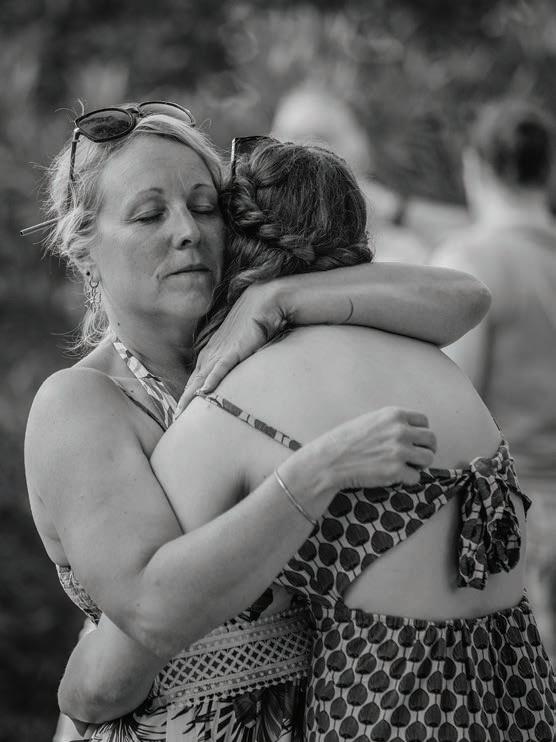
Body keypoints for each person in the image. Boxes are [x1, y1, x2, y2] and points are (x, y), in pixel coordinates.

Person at [57, 137, 554, 742]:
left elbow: (119, 660)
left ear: (236, 245)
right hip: (521, 701)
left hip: (381, 714)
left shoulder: (234, 409)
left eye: (204, 209)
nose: (188, 234)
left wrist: (73, 690)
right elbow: (468, 293)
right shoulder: (433, 359)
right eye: (150, 214)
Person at [433, 98, 556, 665]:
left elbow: (452, 406)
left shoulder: (471, 264)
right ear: (547, 170)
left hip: (512, 524)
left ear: (475, 166)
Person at [271, 84, 469, 262]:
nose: (301, 153)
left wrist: (395, 210)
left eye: (319, 137)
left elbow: (479, 240)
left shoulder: (399, 245)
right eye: (287, 140)